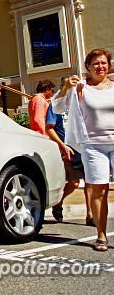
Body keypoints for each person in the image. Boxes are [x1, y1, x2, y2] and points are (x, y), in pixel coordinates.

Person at [52, 48, 114, 251]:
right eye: (96, 63)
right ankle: (101, 235)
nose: (100, 67)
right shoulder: (80, 87)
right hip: (92, 145)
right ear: (88, 66)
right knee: (99, 188)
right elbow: (58, 108)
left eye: (104, 63)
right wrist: (64, 89)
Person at [47, 77, 93, 225]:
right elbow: (49, 128)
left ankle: (90, 215)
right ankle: (58, 203)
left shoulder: (80, 102)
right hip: (66, 149)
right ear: (63, 86)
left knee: (90, 182)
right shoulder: (55, 104)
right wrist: (62, 145)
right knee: (73, 183)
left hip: (82, 146)